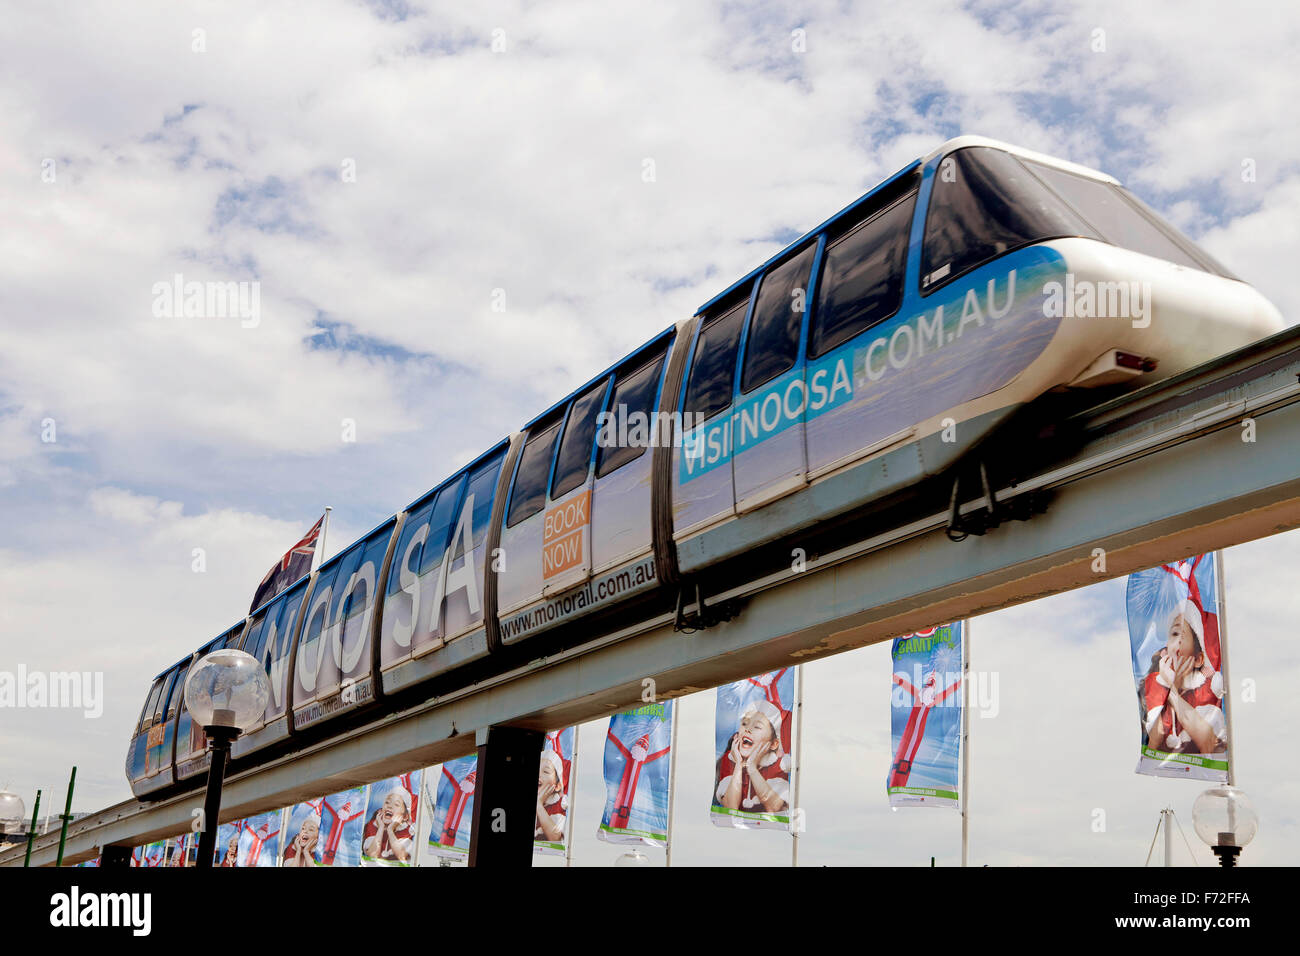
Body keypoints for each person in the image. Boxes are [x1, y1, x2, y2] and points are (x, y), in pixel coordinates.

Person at [1143, 600, 1226, 755]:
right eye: (1174, 634)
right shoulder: (1154, 682)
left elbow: (1208, 742)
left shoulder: (1209, 689)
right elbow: (1154, 742)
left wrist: (1173, 690)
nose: (1177, 641)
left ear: (1197, 660)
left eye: (1182, 635)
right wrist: (1167, 686)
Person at [715, 700, 790, 814]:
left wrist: (752, 768)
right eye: (744, 724)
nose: (748, 729)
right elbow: (730, 808)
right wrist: (739, 765)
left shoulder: (778, 766)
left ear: (774, 744)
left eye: (757, 727)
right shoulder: (728, 760)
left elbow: (774, 808)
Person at [363, 787, 413, 863]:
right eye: (387, 802)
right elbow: (372, 855)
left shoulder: (407, 832)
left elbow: (402, 856)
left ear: (405, 816)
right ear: (381, 810)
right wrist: (380, 828)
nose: (389, 806)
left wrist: (390, 830)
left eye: (396, 804)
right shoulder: (372, 826)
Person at [535, 749, 566, 843]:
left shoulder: (559, 806)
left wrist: (539, 806)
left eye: (546, 772)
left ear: (557, 786)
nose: (539, 774)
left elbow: (556, 838)